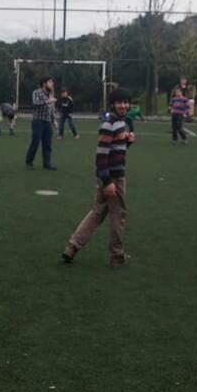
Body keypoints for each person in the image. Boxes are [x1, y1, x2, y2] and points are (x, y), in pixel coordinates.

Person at [62, 88, 135, 267]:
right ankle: (117, 255)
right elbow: (101, 157)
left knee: (97, 213)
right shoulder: (109, 125)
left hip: (109, 177)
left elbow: (115, 151)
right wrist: (108, 181)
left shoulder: (120, 123)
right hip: (113, 178)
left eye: (126, 102)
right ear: (112, 104)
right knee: (118, 215)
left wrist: (127, 142)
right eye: (120, 102)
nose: (124, 105)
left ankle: (72, 247)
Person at [25, 76, 57, 170]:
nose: (52, 84)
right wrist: (48, 101)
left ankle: (47, 164)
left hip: (47, 122)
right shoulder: (36, 92)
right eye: (50, 82)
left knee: (47, 144)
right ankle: (29, 162)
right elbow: (35, 104)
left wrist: (53, 120)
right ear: (44, 84)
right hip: (38, 121)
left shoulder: (50, 94)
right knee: (35, 142)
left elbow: (51, 109)